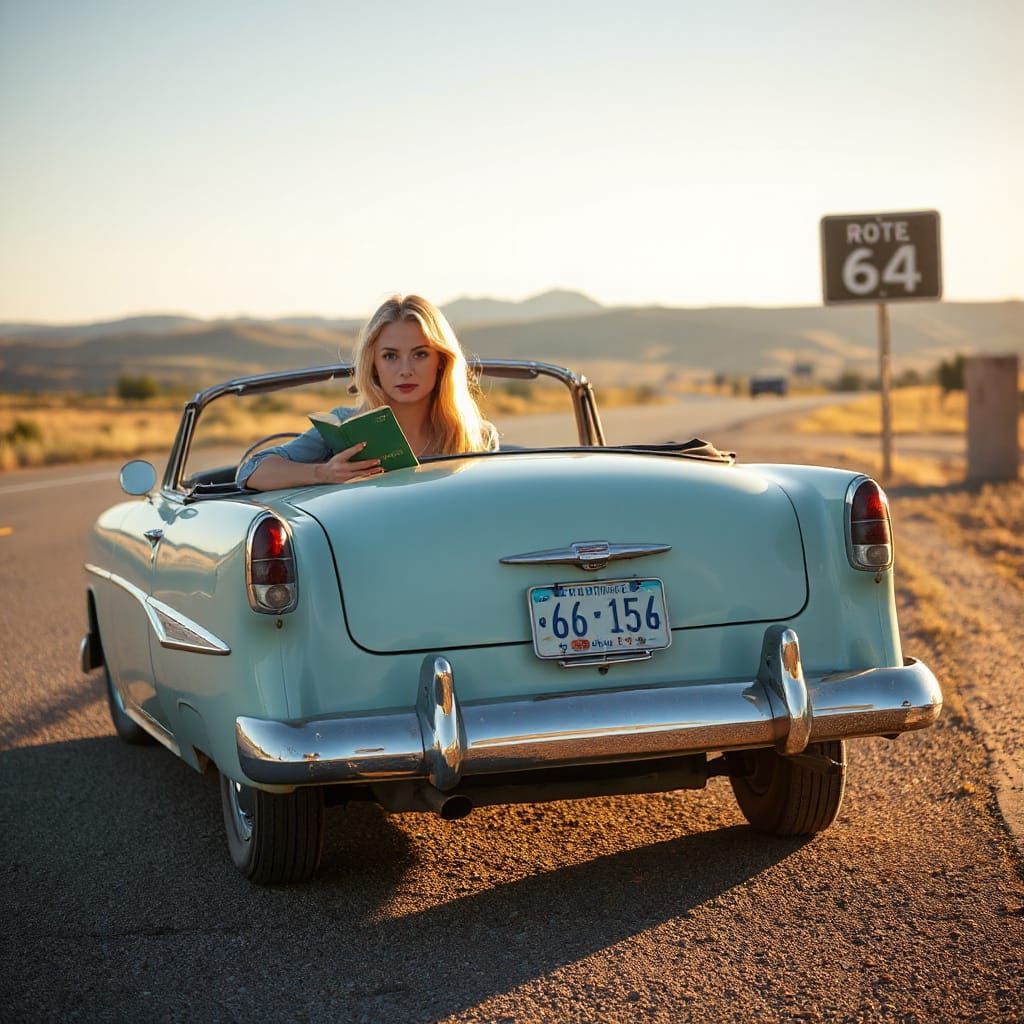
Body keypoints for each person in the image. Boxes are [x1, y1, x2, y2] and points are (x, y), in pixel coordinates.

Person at [237, 294, 498, 490]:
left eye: (420, 354)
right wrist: (323, 473)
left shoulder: (477, 435)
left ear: (441, 361)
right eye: (390, 356)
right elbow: (251, 471)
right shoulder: (345, 427)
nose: (405, 370)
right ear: (373, 363)